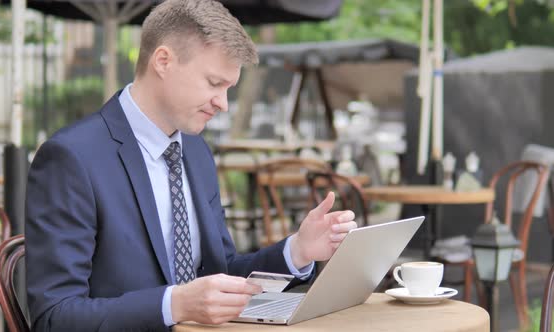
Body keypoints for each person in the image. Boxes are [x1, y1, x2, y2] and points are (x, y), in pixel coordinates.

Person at [25, 0, 357, 331]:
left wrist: (298, 251)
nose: (223, 104)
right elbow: (55, 317)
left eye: (229, 88)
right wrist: (176, 304)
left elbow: (220, 272)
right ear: (164, 61)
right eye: (214, 84)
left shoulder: (195, 150)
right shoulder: (72, 158)